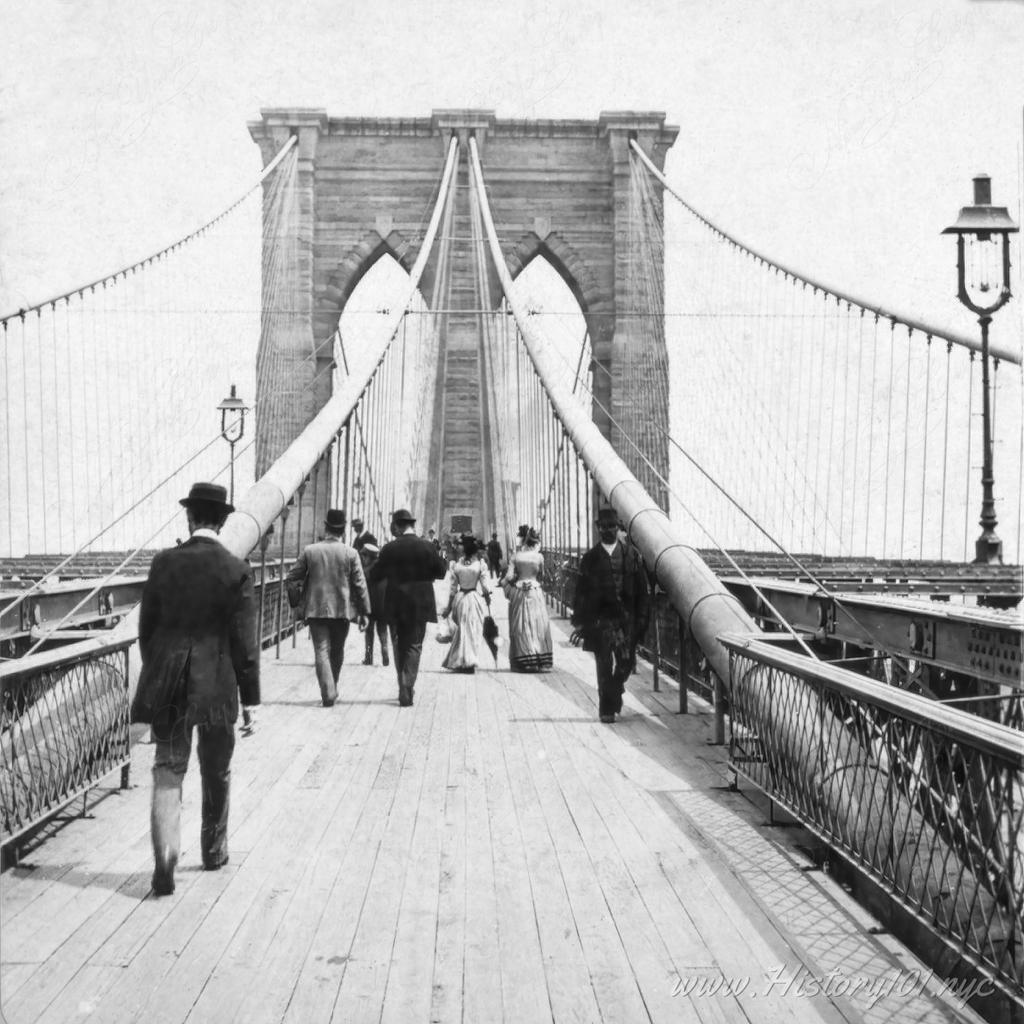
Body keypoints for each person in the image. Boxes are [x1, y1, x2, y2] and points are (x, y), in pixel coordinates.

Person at [132, 482, 260, 896]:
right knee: (216, 768)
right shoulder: (237, 570)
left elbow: (146, 631)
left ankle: (165, 860)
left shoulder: (163, 564)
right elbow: (245, 643)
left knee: (168, 769)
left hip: (170, 684)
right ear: (223, 521)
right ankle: (213, 849)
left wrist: (160, 670)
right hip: (218, 684)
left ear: (189, 517)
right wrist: (251, 699)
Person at [569, 507, 650, 723]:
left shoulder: (632, 556)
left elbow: (643, 591)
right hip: (600, 620)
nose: (608, 530)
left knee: (626, 661)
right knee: (603, 664)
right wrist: (581, 623)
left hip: (626, 620)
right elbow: (581, 593)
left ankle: (613, 691)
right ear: (598, 528)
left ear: (618, 527)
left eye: (612, 526)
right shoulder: (590, 559)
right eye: (604, 527)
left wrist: (642, 619)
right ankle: (606, 709)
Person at [286, 508, 370, 707]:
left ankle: (328, 692)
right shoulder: (351, 553)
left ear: (326, 527)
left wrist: (297, 600)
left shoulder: (310, 551)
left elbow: (291, 578)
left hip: (316, 610)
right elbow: (360, 584)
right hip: (342, 611)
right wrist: (365, 612)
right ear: (343, 531)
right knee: (337, 650)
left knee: (321, 650)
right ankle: (333, 687)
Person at [369, 508, 447, 706]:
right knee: (414, 644)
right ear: (412, 525)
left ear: (397, 525)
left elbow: (375, 575)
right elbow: (441, 573)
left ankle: (403, 685)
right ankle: (407, 684)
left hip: (395, 603)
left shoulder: (389, 548)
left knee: (398, 643)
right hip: (420, 604)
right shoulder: (427, 547)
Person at [501, 526, 552, 672]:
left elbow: (509, 577)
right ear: (536, 542)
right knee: (537, 625)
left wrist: (506, 585)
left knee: (521, 625)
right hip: (535, 591)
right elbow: (544, 577)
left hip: (519, 591)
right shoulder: (539, 557)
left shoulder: (516, 556)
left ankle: (524, 659)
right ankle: (538, 657)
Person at [441, 535, 491, 673]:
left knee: (462, 629)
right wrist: (487, 597)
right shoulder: (480, 564)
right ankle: (469, 661)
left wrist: (449, 607)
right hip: (474, 598)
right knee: (473, 630)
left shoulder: (456, 565)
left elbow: (452, 589)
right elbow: (485, 586)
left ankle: (460, 660)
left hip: (460, 598)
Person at [358, 540, 389, 667]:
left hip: (369, 606)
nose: (362, 559)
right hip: (382, 606)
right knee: (382, 629)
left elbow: (360, 589)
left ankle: (369, 657)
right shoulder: (384, 569)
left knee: (369, 631)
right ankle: (385, 649)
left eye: (364, 556)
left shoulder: (365, 572)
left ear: (368, 557)